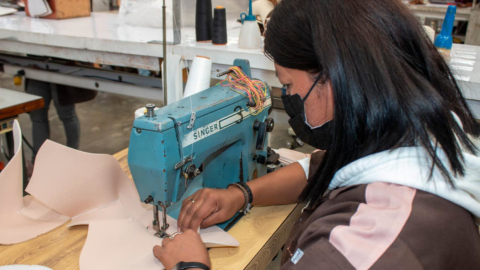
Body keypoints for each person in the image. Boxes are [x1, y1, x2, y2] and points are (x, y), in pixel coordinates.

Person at [153, 0, 480, 269]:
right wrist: (241, 194)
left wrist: (191, 266)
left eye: (290, 85)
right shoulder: (415, 135)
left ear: (335, 81)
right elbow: (324, 166)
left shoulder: (363, 248)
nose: (289, 97)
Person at [26, 78, 96, 163]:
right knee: (37, 116)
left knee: (67, 115)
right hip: (36, 69)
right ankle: (39, 162)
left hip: (60, 71)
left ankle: (73, 157)